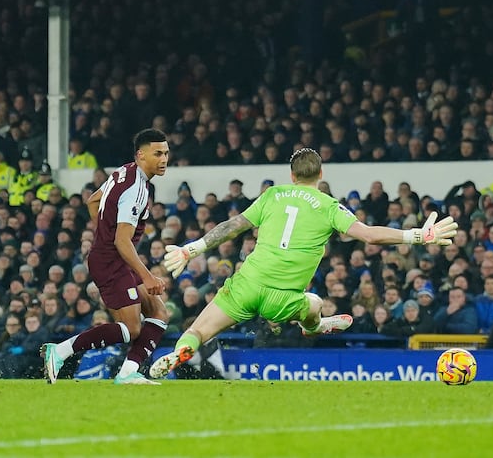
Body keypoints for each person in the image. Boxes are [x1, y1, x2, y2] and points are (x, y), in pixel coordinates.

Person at [149, 148, 457, 378]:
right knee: (313, 302)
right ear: (320, 176)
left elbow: (233, 226)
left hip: (247, 284)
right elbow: (370, 236)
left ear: (292, 176)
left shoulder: (273, 194)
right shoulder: (328, 205)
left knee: (200, 330)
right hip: (283, 299)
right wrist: (417, 235)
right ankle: (315, 325)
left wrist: (192, 249)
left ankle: (181, 352)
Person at [41, 129, 169, 385]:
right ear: (141, 155)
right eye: (157, 154)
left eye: (166, 153)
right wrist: (148, 275)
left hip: (113, 257)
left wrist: (103, 235)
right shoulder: (137, 188)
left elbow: (92, 200)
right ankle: (60, 351)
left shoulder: (124, 172)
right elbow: (122, 241)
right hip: (112, 260)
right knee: (131, 328)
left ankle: (127, 373)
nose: (164, 159)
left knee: (158, 312)